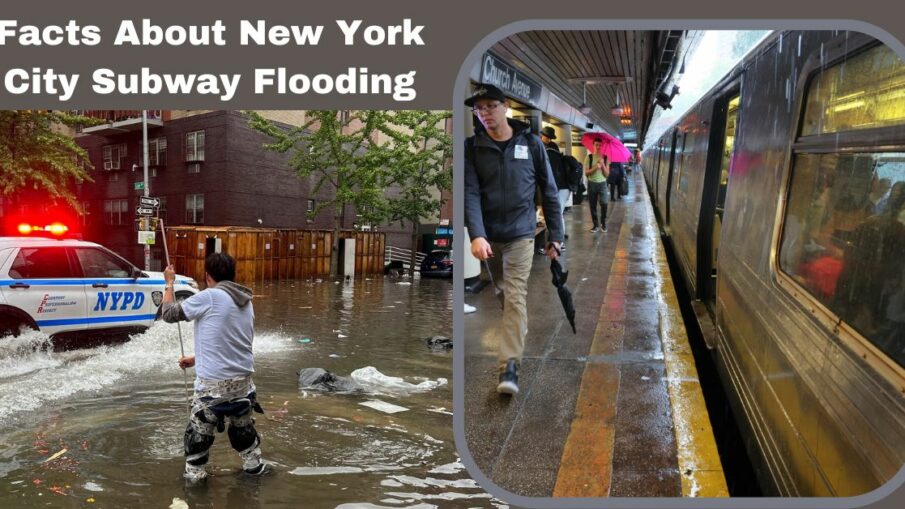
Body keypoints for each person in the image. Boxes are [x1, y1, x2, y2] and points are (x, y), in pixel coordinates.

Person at [464, 83, 564, 395]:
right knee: (505, 297)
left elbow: (548, 191)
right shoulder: (472, 148)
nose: (484, 113)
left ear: (505, 106)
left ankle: (509, 366)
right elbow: (469, 193)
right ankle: (516, 327)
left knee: (515, 295)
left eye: (490, 106)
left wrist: (555, 235)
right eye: (478, 109)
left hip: (522, 234)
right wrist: (477, 234)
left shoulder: (531, 144)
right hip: (490, 237)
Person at [161, 253, 266, 482]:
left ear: (207, 276)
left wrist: (169, 282)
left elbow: (168, 314)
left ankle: (196, 484)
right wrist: (197, 358)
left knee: (197, 438)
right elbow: (232, 341)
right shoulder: (245, 300)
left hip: (213, 389)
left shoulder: (209, 296)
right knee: (244, 435)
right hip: (244, 386)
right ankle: (254, 470)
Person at [541, 125, 571, 248]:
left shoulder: (551, 149)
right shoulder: (549, 148)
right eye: (546, 136)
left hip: (558, 186)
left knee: (557, 213)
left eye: (549, 137)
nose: (547, 139)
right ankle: (558, 236)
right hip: (559, 186)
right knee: (556, 212)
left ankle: (560, 241)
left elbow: (554, 170)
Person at [586, 140, 610, 232]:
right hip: (592, 183)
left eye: (600, 145)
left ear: (602, 146)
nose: (598, 147)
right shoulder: (589, 157)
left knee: (604, 203)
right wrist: (596, 167)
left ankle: (603, 223)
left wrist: (603, 164)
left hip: (602, 183)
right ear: (593, 145)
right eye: (596, 145)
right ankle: (595, 225)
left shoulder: (606, 157)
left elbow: (607, 174)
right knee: (593, 205)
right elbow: (586, 172)